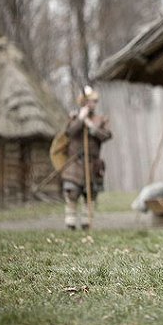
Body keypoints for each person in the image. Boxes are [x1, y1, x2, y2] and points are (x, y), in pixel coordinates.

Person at [61, 86, 112, 230]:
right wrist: (81, 119)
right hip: (75, 162)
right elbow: (69, 132)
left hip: (93, 163)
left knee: (90, 195)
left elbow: (106, 135)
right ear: (84, 102)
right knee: (72, 192)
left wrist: (92, 127)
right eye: (90, 101)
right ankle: (70, 223)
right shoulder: (74, 118)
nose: (93, 104)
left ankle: (86, 222)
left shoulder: (101, 119)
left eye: (95, 101)